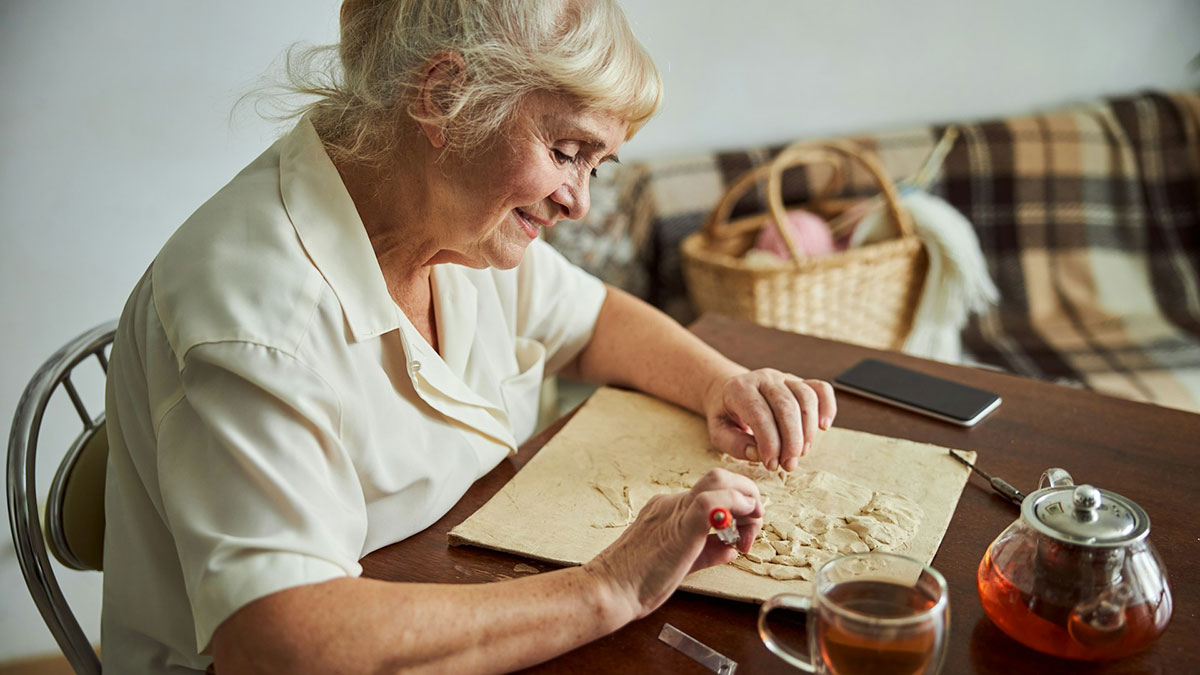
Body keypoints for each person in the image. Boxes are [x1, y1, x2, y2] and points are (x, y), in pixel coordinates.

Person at [102, 0, 838, 672]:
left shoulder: (455, 218)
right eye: (567, 151)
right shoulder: (257, 311)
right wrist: (607, 586)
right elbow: (281, 640)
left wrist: (721, 382)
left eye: (596, 164)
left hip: (447, 582)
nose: (579, 201)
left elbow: (596, 320)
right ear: (444, 97)